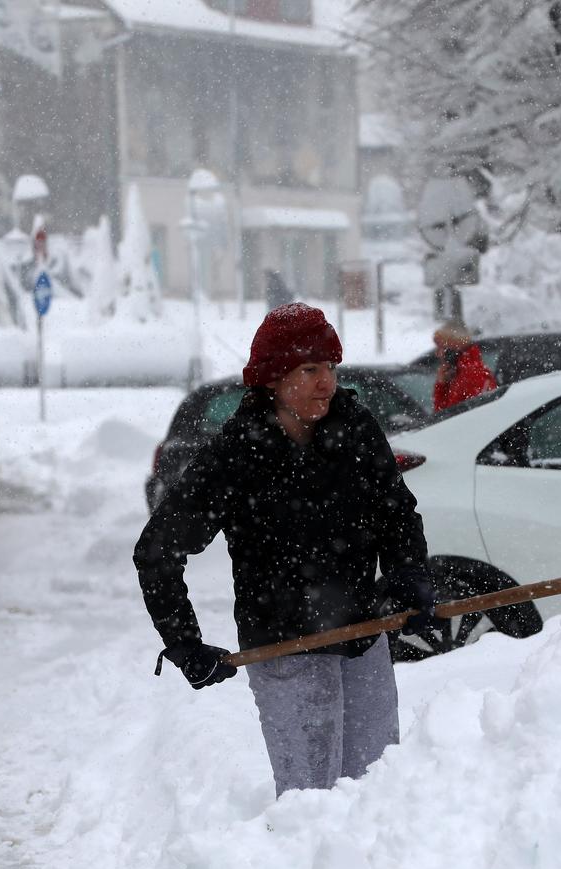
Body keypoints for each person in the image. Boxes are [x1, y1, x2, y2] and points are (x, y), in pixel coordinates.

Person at [135, 302, 440, 796]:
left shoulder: (354, 427)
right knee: (310, 804)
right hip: (286, 649)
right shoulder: (237, 452)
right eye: (310, 369)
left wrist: (409, 575)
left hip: (363, 635)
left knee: (379, 796)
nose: (327, 383)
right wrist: (185, 642)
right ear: (274, 378)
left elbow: (396, 511)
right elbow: (156, 551)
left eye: (332, 368)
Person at [431, 320, 497, 411]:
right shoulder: (458, 374)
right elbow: (441, 417)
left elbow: (447, 419)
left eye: (441, 347)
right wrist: (442, 385)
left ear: (453, 347)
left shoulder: (473, 375)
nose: (437, 354)